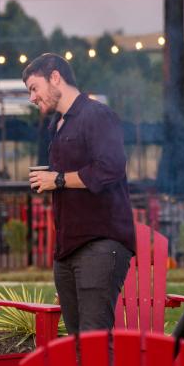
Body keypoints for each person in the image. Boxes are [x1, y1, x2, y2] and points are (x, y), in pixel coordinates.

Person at [25, 53, 135, 334]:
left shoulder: (97, 115)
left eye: (34, 88)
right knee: (77, 342)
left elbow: (110, 168)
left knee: (93, 340)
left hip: (99, 244)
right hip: (67, 249)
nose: (32, 98)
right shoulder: (57, 124)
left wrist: (58, 179)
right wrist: (52, 180)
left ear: (55, 77)